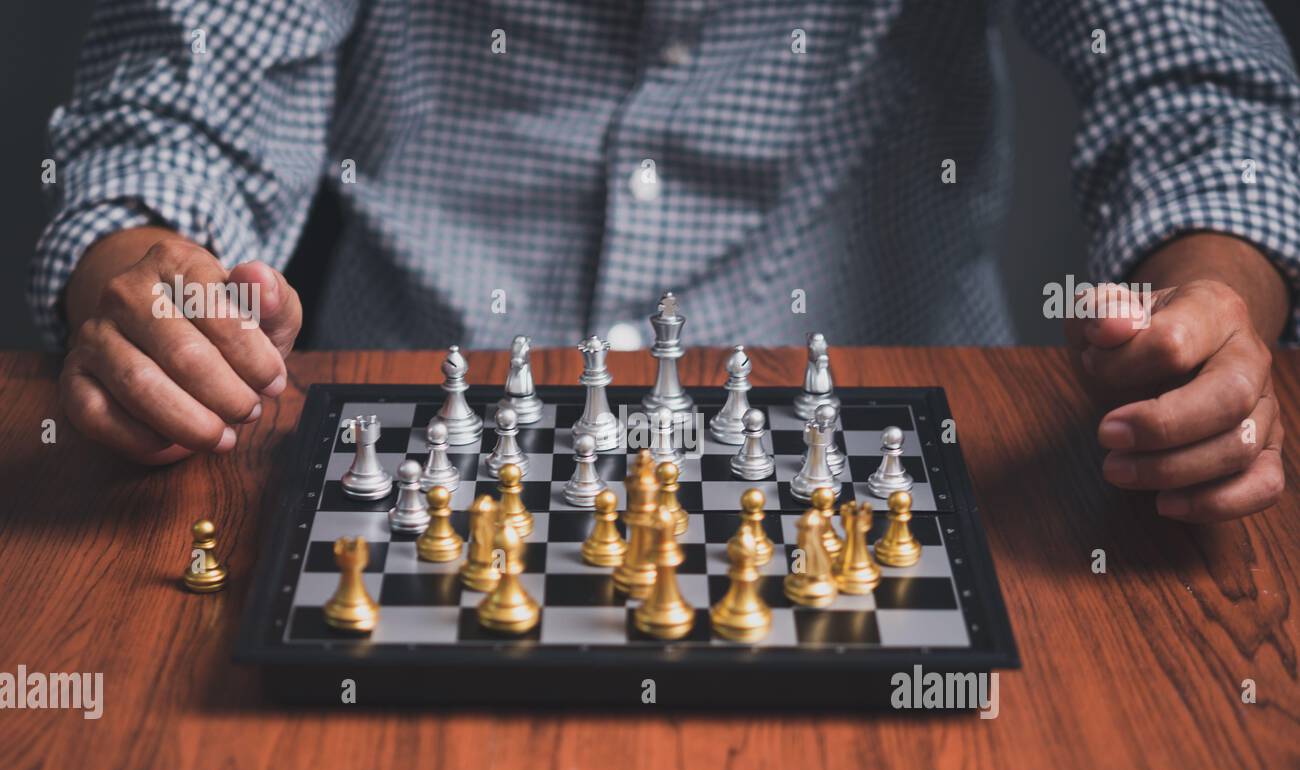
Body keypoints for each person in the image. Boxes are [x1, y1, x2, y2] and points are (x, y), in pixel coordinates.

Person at [30, 0, 1298, 522]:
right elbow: (188, 84)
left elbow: (1193, 66)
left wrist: (1216, 300)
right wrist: (143, 274)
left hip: (901, 436)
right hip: (403, 400)